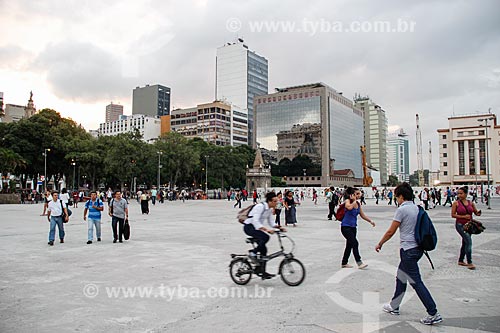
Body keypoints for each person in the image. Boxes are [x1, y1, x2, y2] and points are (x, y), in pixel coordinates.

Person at [375, 182, 442, 325]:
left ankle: (433, 312)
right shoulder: (417, 208)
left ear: (401, 196)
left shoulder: (402, 210)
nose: (396, 200)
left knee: (416, 282)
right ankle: (394, 306)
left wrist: (380, 243)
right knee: (401, 277)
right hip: (418, 249)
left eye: (397, 197)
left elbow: (391, 231)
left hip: (408, 251)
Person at [243, 192, 286, 279]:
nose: (276, 203)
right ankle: (253, 253)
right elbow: (255, 221)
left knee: (264, 251)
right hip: (249, 227)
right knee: (265, 237)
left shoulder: (269, 209)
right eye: (274, 201)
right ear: (269, 201)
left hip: (256, 228)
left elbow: (271, 222)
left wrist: (278, 227)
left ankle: (262, 271)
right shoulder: (260, 207)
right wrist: (266, 230)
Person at [340, 187, 375, 269]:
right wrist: (354, 201)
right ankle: (359, 263)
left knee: (349, 245)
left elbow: (362, 215)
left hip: (353, 227)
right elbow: (349, 207)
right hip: (345, 227)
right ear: (352, 195)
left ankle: (344, 262)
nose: (359, 195)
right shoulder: (348, 201)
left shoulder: (358, 204)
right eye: (357, 194)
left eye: (360, 193)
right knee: (355, 243)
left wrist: (370, 221)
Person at [451, 186, 482, 270]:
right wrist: (463, 216)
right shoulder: (456, 203)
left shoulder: (471, 203)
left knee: (465, 242)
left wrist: (478, 213)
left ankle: (461, 260)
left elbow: (475, 212)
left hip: (469, 225)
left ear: (466, 194)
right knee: (468, 241)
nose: (459, 195)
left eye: (461, 193)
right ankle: (469, 262)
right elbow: (453, 215)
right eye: (458, 193)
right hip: (460, 225)